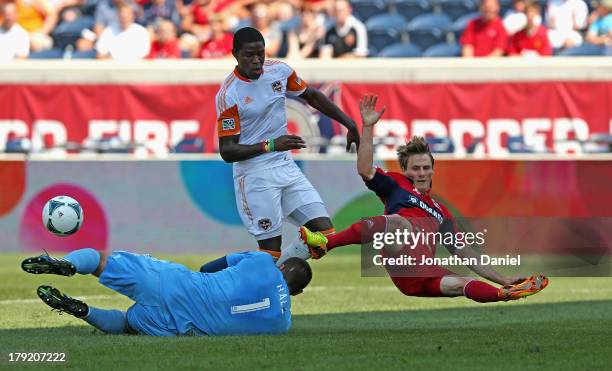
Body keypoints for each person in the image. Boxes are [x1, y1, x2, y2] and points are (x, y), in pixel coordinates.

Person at [300, 94, 549, 303]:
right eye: (415, 168)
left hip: (422, 275)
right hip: (400, 256)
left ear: (432, 169)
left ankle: (506, 294)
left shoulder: (441, 212)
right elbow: (365, 169)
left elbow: (464, 252)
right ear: (406, 171)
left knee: (464, 282)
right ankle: (325, 243)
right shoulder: (397, 184)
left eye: (425, 168)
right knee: (398, 223)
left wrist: (501, 278)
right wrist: (367, 127)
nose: (421, 173)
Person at [216, 27, 359, 264]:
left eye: (260, 53)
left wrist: (349, 122)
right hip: (254, 176)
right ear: (235, 55)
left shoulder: (278, 71)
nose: (256, 60)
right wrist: (271, 145)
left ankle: (278, 276)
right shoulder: (229, 93)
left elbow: (311, 95)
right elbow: (227, 151)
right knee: (270, 253)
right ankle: (218, 273)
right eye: (249, 55)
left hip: (285, 167)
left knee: (323, 236)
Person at [21, 248, 311, 336]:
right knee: (126, 325)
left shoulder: (262, 261)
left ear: (282, 267)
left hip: (178, 284)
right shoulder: (282, 325)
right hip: (176, 326)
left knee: (101, 260)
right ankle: (81, 310)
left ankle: (67, 264)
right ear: (296, 294)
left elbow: (208, 265)